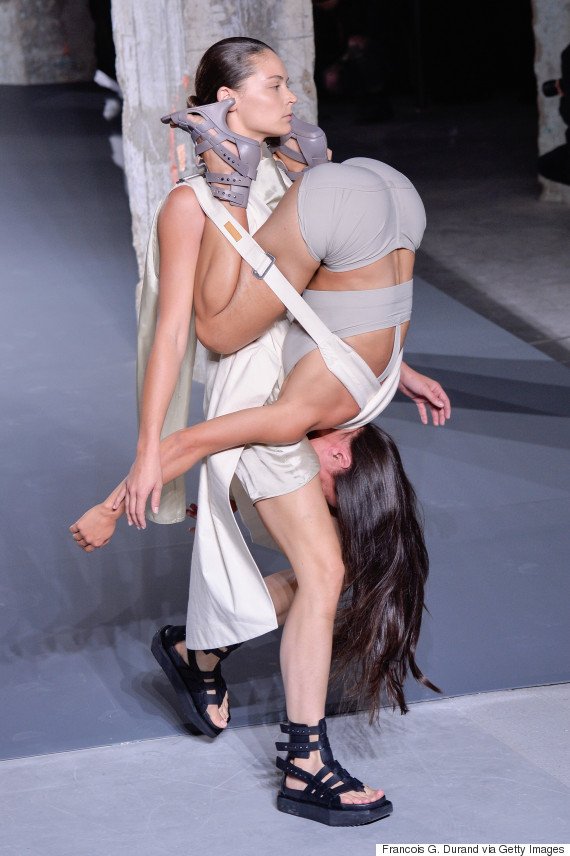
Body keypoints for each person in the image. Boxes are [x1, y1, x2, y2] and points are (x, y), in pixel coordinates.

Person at [70, 37, 450, 826]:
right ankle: (305, 761)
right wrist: (140, 464)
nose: (290, 96)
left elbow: (331, 291)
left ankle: (198, 653)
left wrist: (389, 365)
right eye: (274, 84)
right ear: (228, 101)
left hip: (301, 382)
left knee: (328, 577)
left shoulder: (287, 178)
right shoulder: (190, 205)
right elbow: (179, 337)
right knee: (326, 575)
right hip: (257, 409)